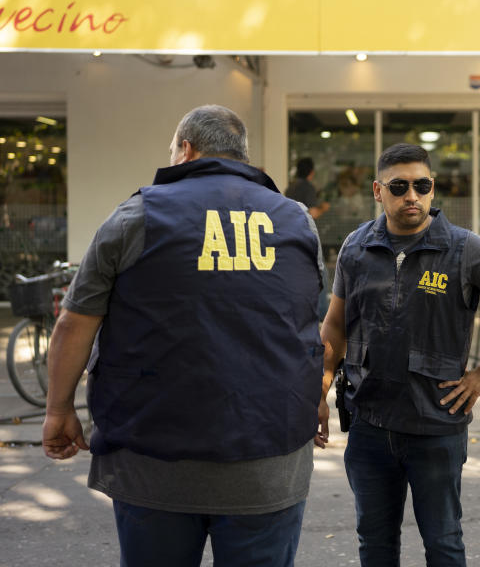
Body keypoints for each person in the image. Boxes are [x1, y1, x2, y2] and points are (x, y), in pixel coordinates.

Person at [41, 105, 326, 567]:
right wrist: (316, 396)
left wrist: (58, 410)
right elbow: (310, 323)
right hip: (269, 460)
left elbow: (74, 323)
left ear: (186, 150)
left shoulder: (135, 215)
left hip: (152, 463)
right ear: (241, 156)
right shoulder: (297, 221)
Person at [317, 143, 480, 567]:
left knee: (443, 543)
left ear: (433, 189)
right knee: (375, 543)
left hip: (435, 426)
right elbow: (335, 326)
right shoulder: (356, 248)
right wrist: (321, 387)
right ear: (378, 191)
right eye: (399, 186)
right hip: (369, 425)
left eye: (422, 185)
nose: (412, 196)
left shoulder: (464, 249)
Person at [285, 156, 331, 318]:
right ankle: (323, 318)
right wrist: (324, 207)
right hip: (307, 236)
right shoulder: (307, 186)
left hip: (290, 235)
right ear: (311, 173)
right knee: (322, 275)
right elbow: (312, 213)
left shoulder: (290, 187)